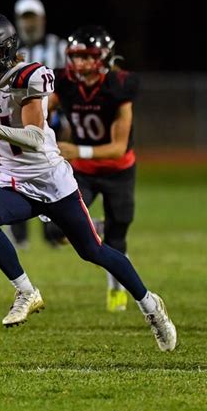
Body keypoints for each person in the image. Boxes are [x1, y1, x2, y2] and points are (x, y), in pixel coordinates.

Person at [0, 11, 177, 353]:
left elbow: (36, 138)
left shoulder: (29, 76)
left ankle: (151, 307)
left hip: (53, 181)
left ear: (6, 50)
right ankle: (25, 291)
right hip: (14, 183)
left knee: (93, 251)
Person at [48, 25, 138, 313]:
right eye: (76, 56)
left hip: (117, 170)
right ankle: (93, 225)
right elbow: (40, 111)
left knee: (116, 239)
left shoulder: (119, 86)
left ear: (104, 57)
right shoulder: (65, 83)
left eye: (88, 56)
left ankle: (116, 290)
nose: (81, 63)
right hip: (83, 171)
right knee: (55, 228)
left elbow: (118, 147)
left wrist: (76, 150)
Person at [9, 0, 68, 248]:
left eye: (32, 18)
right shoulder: (10, 50)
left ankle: (53, 231)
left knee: (52, 175)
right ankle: (19, 232)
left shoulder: (60, 47)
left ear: (42, 19)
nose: (29, 24)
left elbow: (70, 85)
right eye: (25, 18)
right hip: (17, 123)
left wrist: (67, 119)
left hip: (53, 122)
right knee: (15, 175)